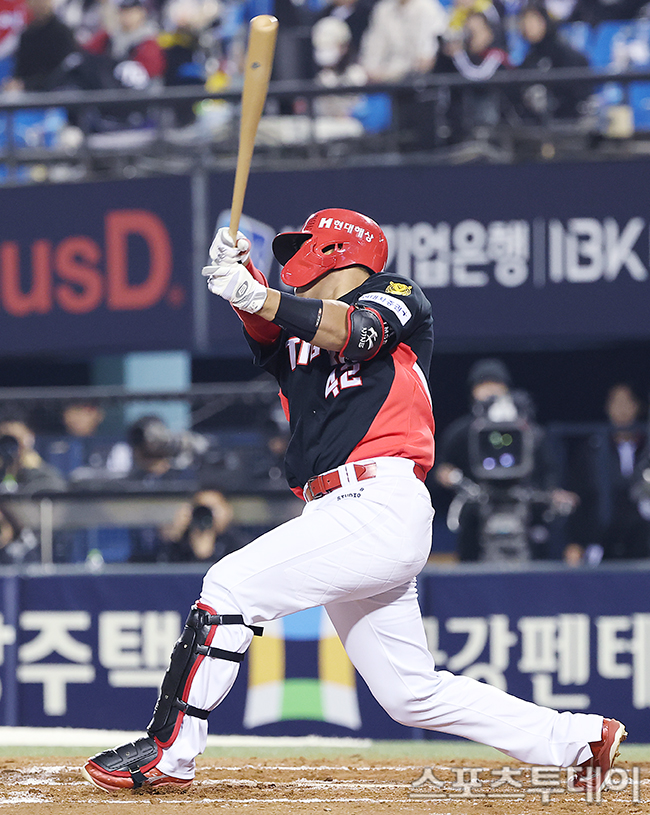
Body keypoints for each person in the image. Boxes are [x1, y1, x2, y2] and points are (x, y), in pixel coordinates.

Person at [82, 208, 624, 795]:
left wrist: (259, 295)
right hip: (336, 510)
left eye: (302, 247)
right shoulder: (297, 333)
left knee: (229, 588)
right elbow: (271, 331)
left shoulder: (397, 294)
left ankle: (171, 751)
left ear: (335, 250)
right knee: (410, 694)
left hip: (378, 499)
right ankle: (580, 739)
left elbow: (358, 332)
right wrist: (242, 281)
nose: (291, 261)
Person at [434, 358, 576, 561]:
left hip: (525, 511)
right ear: (473, 390)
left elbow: (549, 469)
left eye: (496, 384)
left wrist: (552, 493)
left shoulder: (530, 432)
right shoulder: (461, 432)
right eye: (483, 384)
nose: (490, 390)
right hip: (478, 513)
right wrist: (445, 474)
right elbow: (441, 467)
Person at [567, 382, 649, 562]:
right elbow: (580, 496)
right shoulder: (592, 450)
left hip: (643, 540)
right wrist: (576, 543)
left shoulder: (646, 448)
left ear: (637, 406)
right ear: (607, 407)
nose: (621, 409)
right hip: (601, 541)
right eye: (615, 402)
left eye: (627, 402)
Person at [517, 2, 592, 122]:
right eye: (525, 21)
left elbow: (576, 93)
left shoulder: (564, 53)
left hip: (566, 122)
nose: (528, 26)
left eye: (533, 20)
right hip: (537, 124)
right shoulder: (530, 57)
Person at [359, 0, 448, 83]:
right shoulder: (383, 9)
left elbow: (425, 60)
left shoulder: (428, 8)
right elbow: (373, 47)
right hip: (385, 74)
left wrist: (393, 74)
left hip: (414, 78)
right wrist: (371, 70)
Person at [2, 0, 77, 91]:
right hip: (29, 92)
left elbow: (63, 71)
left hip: (57, 91)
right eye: (35, 2)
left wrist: (27, 84)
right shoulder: (26, 35)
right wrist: (15, 82)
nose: (39, 5)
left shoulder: (63, 33)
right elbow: (21, 68)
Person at [157, 489, 248, 563]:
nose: (207, 514)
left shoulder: (240, 546)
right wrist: (176, 534)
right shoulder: (180, 543)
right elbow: (160, 566)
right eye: (202, 508)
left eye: (213, 509)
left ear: (227, 510)